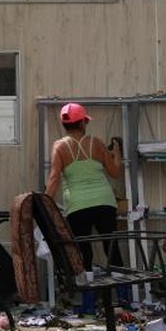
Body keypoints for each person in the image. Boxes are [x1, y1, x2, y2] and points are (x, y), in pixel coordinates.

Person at [44, 102, 124, 270]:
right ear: (82, 122)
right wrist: (117, 154)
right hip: (104, 202)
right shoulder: (97, 143)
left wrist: (44, 205)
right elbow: (115, 172)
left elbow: (53, 179)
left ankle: (88, 294)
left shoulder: (59, 147)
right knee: (111, 247)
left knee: (83, 251)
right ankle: (123, 293)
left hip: (77, 204)